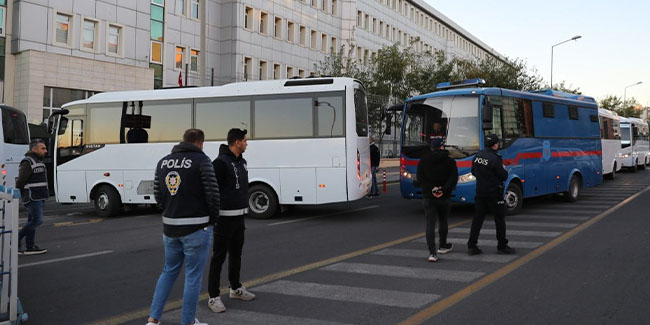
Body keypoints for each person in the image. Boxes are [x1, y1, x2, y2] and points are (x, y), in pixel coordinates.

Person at [146, 129, 219, 325]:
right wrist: (212, 219)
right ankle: (188, 322)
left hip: (170, 228)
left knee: (168, 272)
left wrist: (170, 211)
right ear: (200, 143)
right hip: (197, 228)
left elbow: (158, 195)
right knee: (193, 278)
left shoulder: (163, 162)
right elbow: (212, 194)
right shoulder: (202, 161)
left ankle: (153, 320)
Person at [207, 128, 255, 313]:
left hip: (239, 217)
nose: (246, 143)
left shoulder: (242, 162)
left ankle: (235, 288)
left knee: (236, 254)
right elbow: (211, 190)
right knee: (218, 257)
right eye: (244, 140)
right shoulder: (220, 163)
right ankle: (213, 297)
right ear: (236, 142)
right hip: (223, 219)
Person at [467, 134, 516, 256]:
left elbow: (473, 171)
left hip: (480, 192)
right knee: (499, 219)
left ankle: (472, 245)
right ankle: (502, 246)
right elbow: (503, 176)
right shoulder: (495, 159)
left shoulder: (478, 156)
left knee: (477, 219)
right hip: (494, 193)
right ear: (495, 144)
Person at [416, 137, 458, 262]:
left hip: (428, 196)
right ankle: (443, 245)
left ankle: (432, 253)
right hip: (444, 197)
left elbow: (420, 178)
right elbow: (453, 179)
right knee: (443, 221)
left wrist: (432, 189)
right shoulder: (450, 161)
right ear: (442, 147)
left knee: (430, 224)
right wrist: (442, 189)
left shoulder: (423, 160)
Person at [16, 139, 49, 255]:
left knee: (32, 220)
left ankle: (30, 246)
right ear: (34, 149)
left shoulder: (38, 161)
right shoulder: (27, 162)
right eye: (43, 148)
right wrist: (22, 195)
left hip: (39, 196)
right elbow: (20, 181)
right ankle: (15, 240)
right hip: (32, 197)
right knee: (37, 220)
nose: (46, 151)